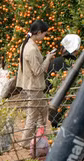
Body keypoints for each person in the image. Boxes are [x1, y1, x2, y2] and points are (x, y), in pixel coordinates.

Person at [15, 20, 56, 148]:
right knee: (33, 115)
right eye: (44, 34)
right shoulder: (31, 49)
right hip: (34, 87)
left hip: (32, 86)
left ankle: (39, 137)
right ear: (38, 33)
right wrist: (48, 58)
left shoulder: (26, 44)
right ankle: (26, 142)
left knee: (42, 112)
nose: (44, 37)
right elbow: (38, 71)